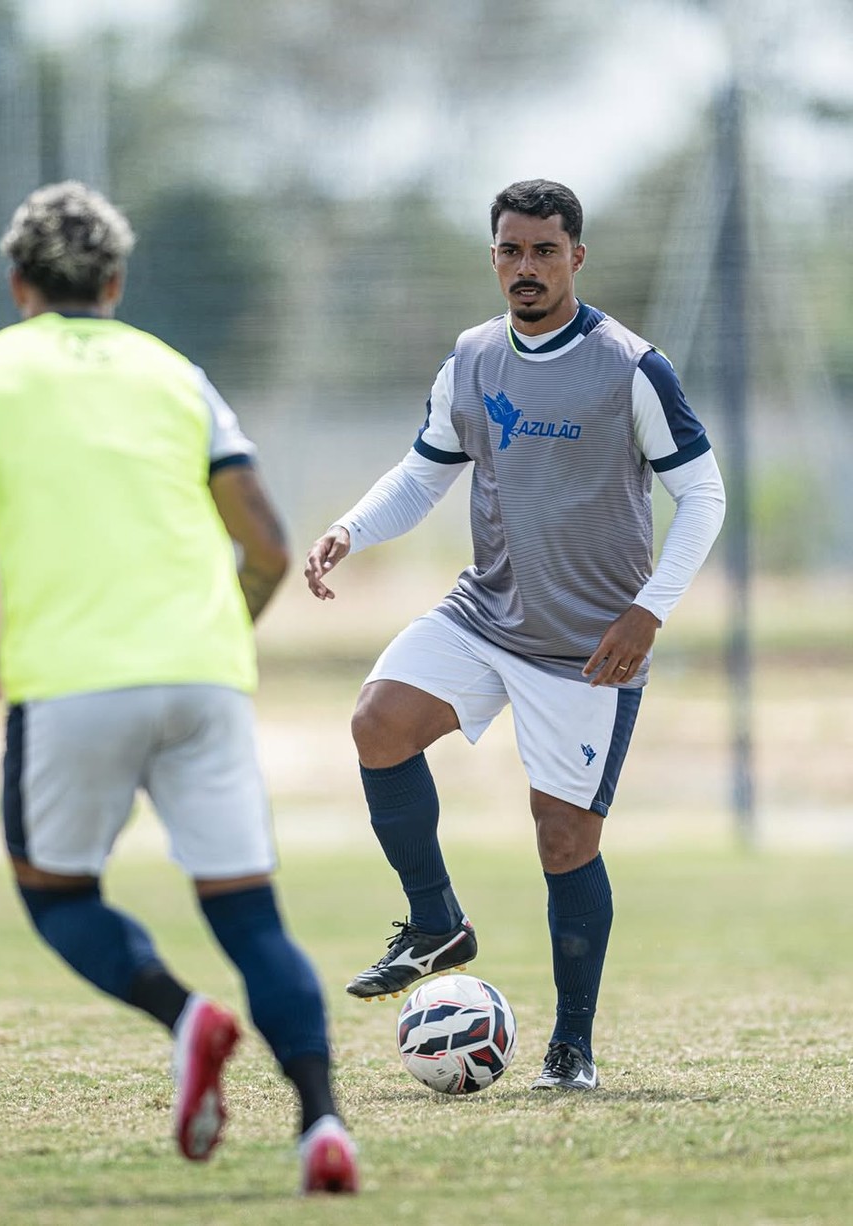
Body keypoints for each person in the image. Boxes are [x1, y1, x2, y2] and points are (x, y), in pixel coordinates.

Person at [0, 181, 358, 1192]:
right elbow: (271, 549)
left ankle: (186, 1014)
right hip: (206, 673)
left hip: (71, 680)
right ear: (115, 281)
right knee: (253, 918)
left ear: (18, 284)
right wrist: (202, 642)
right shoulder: (178, 375)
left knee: (57, 893)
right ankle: (323, 1121)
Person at [304, 178, 725, 1091]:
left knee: (563, 839)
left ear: (577, 255)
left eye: (543, 251)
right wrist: (351, 528)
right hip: (486, 613)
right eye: (509, 250)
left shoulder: (629, 366)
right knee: (378, 722)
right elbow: (425, 474)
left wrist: (650, 609)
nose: (524, 268)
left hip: (589, 648)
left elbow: (703, 494)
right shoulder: (473, 358)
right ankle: (435, 923)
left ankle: (571, 1050)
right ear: (492, 256)